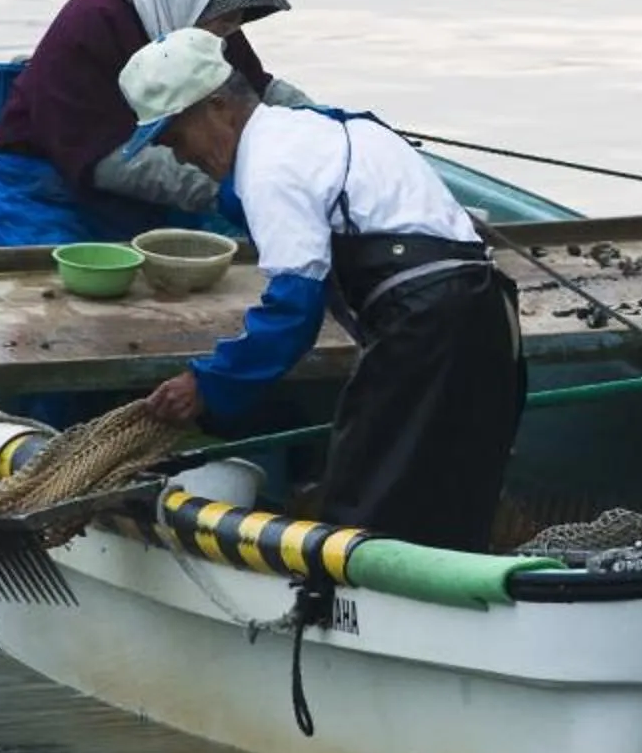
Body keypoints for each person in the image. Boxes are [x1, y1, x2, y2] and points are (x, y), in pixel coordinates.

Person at [122, 28, 524, 552]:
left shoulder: (269, 166)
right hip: (489, 310)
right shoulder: (319, 127)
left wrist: (208, 384)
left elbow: (294, 311)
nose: (178, 157)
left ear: (218, 107)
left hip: (427, 328)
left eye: (175, 138)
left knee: (361, 519)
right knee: (455, 506)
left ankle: (343, 602)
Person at [0, 0, 306, 246]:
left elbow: (254, 91)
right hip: (44, 189)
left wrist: (321, 120)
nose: (227, 30)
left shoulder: (204, 21)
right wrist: (221, 190)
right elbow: (104, 159)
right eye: (222, 16)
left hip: (147, 191)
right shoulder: (90, 24)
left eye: (234, 17)